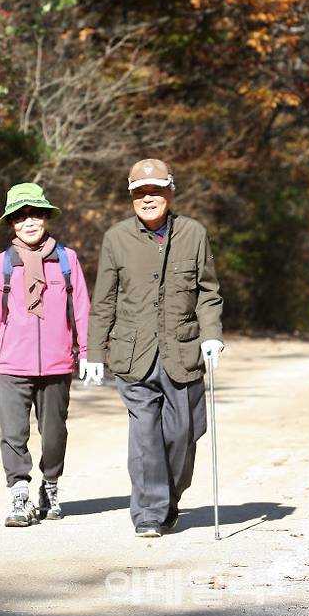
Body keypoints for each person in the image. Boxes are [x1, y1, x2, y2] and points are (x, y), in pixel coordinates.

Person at [85, 158, 224, 537]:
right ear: (131, 197)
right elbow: (104, 301)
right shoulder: (115, 238)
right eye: (140, 193)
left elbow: (208, 292)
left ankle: (168, 499)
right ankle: (148, 514)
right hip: (134, 355)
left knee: (185, 433)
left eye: (156, 191)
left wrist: (212, 334)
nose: (148, 199)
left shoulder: (194, 234)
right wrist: (94, 352)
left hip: (183, 351)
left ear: (170, 192)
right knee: (145, 434)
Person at [0, 182, 90, 527]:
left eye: (35, 214)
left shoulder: (68, 261)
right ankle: (19, 494)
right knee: (13, 433)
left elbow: (81, 308)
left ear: (46, 217)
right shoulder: (1, 265)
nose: (29, 222)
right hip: (10, 364)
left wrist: (88, 351)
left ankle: (50, 485)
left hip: (56, 363)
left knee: (54, 434)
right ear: (12, 223)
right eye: (21, 216)